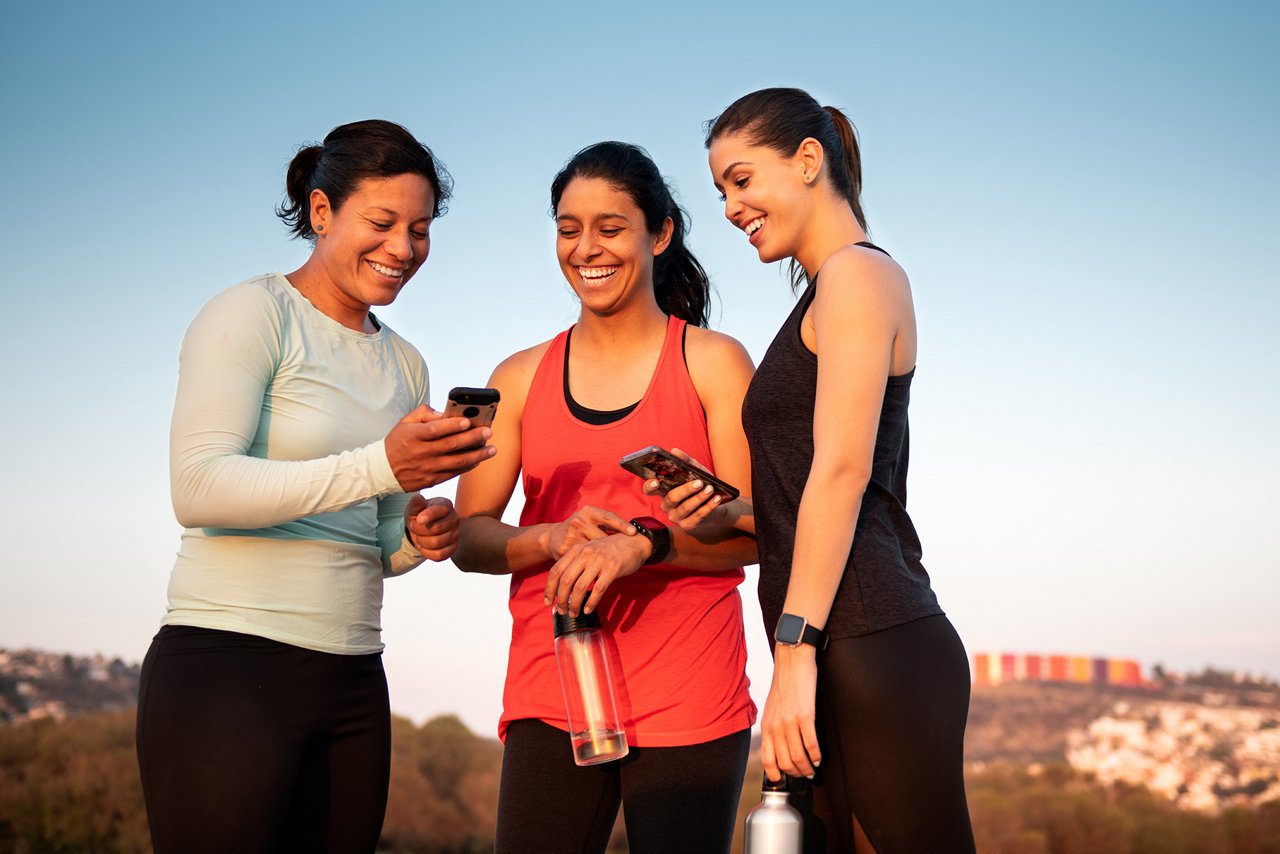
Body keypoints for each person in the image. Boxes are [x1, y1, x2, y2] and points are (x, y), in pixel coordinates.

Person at [135, 119, 495, 853]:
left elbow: (375, 540)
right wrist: (380, 467)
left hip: (355, 681)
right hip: (228, 667)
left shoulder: (406, 365)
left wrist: (418, 537)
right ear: (323, 212)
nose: (403, 248)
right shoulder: (252, 312)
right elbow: (197, 487)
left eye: (421, 229)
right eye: (383, 222)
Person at [660, 88, 975, 851]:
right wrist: (731, 513)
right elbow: (811, 489)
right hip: (835, 636)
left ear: (807, 161)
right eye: (721, 191)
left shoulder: (860, 277)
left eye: (741, 179)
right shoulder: (824, 293)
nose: (732, 206)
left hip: (871, 636)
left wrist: (793, 653)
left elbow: (841, 472)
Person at [452, 141, 758, 853]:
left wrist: (642, 546)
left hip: (692, 696)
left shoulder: (714, 363)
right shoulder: (520, 376)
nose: (586, 248)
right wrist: (551, 539)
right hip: (550, 691)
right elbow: (470, 537)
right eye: (568, 228)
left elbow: (760, 535)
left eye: (611, 228)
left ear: (659, 234)